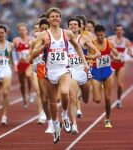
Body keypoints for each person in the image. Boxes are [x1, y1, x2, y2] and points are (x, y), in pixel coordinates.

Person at [33, 7, 89, 143]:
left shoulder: (67, 33)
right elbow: (33, 54)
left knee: (65, 93)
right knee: (52, 103)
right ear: (48, 18)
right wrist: (43, 46)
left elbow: (77, 47)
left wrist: (85, 63)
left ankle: (64, 116)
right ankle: (55, 124)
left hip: (64, 69)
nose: (55, 18)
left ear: (60, 18)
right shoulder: (43, 35)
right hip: (50, 71)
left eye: (57, 16)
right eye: (52, 16)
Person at [67, 18, 101, 134]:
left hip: (83, 70)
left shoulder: (84, 38)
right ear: (68, 27)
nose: (73, 26)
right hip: (70, 70)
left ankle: (83, 97)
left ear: (80, 27)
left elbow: (98, 53)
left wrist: (90, 58)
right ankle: (74, 125)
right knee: (72, 97)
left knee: (85, 98)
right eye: (71, 24)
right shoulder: (64, 39)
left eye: (75, 24)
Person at [90, 25, 120, 128]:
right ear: (95, 35)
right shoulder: (92, 43)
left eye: (102, 35)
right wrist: (90, 60)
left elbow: (118, 55)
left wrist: (116, 58)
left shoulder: (110, 43)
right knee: (97, 100)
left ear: (105, 33)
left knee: (107, 98)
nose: (100, 38)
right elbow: (89, 57)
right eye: (98, 36)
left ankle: (107, 119)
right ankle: (98, 88)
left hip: (107, 72)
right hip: (96, 72)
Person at [30, 18, 55, 133]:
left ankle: (57, 117)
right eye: (42, 29)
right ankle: (46, 118)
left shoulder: (56, 39)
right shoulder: (35, 41)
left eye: (46, 28)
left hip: (53, 69)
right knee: (42, 95)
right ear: (39, 29)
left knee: (54, 98)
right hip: (39, 68)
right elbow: (31, 57)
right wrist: (43, 47)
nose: (44, 30)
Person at [109, 24, 133, 108]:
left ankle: (119, 100)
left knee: (120, 84)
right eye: (117, 30)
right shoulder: (110, 39)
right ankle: (108, 100)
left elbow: (130, 51)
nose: (119, 31)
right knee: (111, 84)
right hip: (112, 64)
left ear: (123, 31)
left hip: (121, 64)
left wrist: (130, 54)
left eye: (120, 30)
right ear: (115, 31)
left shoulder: (126, 41)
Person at [13, 23, 33, 108]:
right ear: (18, 31)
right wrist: (15, 65)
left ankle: (30, 92)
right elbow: (13, 53)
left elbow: (33, 51)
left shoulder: (31, 39)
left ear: (27, 30)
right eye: (20, 30)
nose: (22, 31)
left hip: (28, 63)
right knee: (22, 83)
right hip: (20, 64)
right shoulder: (16, 40)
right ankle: (24, 99)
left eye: (24, 30)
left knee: (28, 76)